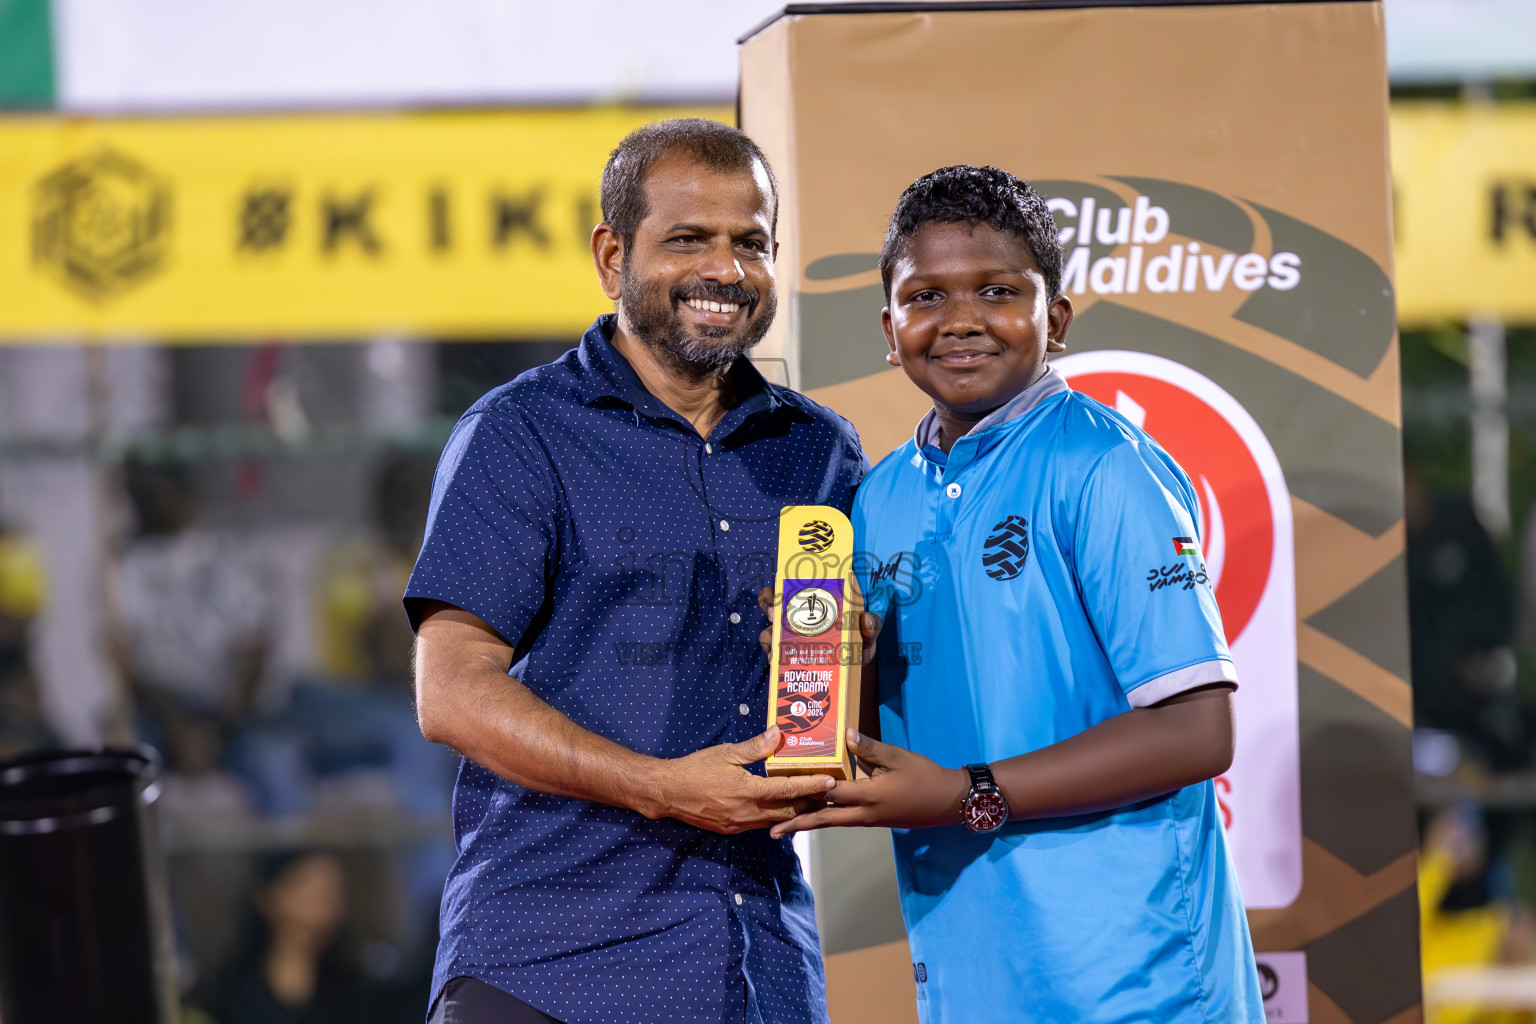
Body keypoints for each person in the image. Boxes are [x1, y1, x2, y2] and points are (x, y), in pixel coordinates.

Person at [770, 166, 1264, 1022]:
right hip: (969, 973)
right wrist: (825, 674)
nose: (960, 320)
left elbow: (1197, 731)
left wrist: (968, 794)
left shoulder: (1105, 466)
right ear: (891, 330)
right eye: (927, 297)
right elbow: (891, 739)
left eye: (998, 290)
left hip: (1134, 983)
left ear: (1056, 318)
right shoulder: (880, 497)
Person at [405, 119, 867, 1024]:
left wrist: (861, 659)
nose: (726, 271)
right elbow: (452, 694)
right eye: (688, 239)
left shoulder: (819, 453)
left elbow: (847, 707)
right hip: (548, 963)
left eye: (752, 243)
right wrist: (658, 786)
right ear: (613, 257)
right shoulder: (520, 433)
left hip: (758, 965)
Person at [203, 851, 372, 1024]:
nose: (324, 909)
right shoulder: (229, 992)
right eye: (311, 891)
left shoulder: (357, 990)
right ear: (268, 897)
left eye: (332, 894)